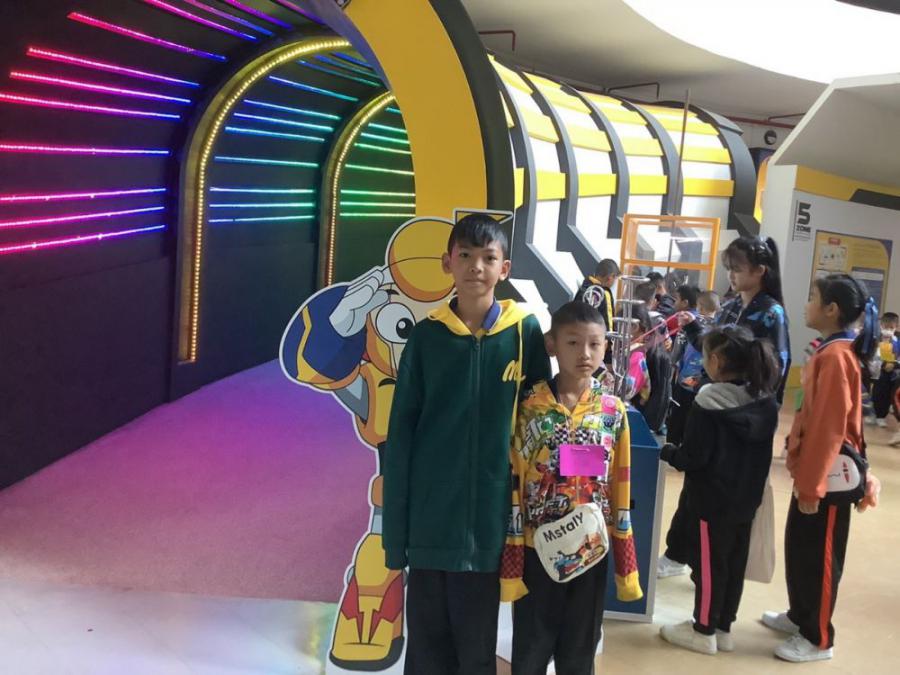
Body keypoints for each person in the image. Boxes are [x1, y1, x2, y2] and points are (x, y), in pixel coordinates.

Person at [382, 213, 551, 675]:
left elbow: (542, 426)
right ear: (447, 263)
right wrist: (396, 539)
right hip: (430, 525)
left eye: (488, 257)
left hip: (490, 528)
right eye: (465, 255)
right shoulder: (426, 337)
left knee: (476, 653)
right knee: (425, 654)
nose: (476, 266)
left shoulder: (523, 333)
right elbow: (401, 437)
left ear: (505, 268)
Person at [502, 301, 642, 674]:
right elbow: (515, 478)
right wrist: (514, 546)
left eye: (594, 344)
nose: (585, 354)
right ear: (552, 344)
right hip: (537, 548)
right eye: (573, 343)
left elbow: (620, 482)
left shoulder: (612, 410)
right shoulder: (529, 406)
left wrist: (623, 553)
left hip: (591, 548)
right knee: (531, 648)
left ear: (606, 346)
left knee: (580, 649)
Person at [763, 274, 881, 663]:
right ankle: (801, 616)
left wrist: (813, 485)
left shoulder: (835, 357)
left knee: (821, 557)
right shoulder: (829, 351)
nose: (806, 303)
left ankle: (818, 638)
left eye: (812, 297)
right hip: (813, 474)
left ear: (831, 309)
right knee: (800, 548)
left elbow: (829, 429)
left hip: (828, 479)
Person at [659, 237, 791, 579]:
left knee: (724, 493)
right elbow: (713, 347)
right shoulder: (732, 306)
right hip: (712, 406)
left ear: (760, 271)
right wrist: (692, 326)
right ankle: (679, 553)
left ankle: (709, 568)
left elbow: (775, 369)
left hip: (742, 417)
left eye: (737, 269)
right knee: (697, 484)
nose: (731, 275)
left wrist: (744, 402)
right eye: (729, 268)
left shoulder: (771, 313)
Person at [658, 326, 780, 655]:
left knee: (710, 566)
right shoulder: (765, 401)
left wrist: (667, 452)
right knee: (734, 564)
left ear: (715, 360)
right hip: (747, 499)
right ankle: (723, 627)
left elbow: (694, 457)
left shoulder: (709, 401)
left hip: (711, 501)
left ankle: (703, 630)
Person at [667, 287, 715, 445]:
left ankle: (672, 446)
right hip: (705, 382)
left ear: (700, 306)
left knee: (678, 416)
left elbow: (677, 351)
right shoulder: (719, 329)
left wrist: (673, 364)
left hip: (685, 380)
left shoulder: (688, 322)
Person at [574, 258, 620, 332]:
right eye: (615, 279)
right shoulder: (604, 293)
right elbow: (608, 325)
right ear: (610, 277)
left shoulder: (583, 289)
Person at [871, 311, 900, 427]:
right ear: (881, 325)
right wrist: (882, 364)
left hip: (893, 373)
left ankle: (882, 416)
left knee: (887, 395)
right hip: (878, 372)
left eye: (891, 328)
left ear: (896, 327)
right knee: (877, 393)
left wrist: (894, 364)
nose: (888, 330)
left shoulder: (897, 341)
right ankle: (875, 414)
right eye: (885, 327)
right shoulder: (876, 339)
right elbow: (873, 356)